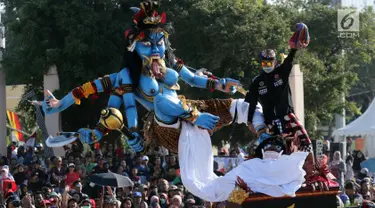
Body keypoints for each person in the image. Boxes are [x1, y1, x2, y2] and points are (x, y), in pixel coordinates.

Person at [244, 23, 312, 158]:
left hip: (288, 118)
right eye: (264, 63)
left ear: (275, 62)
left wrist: (293, 49)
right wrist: (250, 121)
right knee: (269, 151)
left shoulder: (282, 71)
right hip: (270, 124)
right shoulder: (257, 81)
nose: (266, 66)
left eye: (269, 63)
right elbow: (251, 103)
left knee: (306, 145)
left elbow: (289, 60)